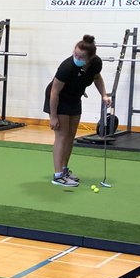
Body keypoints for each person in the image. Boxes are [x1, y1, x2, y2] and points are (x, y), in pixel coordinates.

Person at [45, 34, 110, 187]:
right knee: (61, 135)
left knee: (70, 136)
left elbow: (97, 78)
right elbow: (54, 92)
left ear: (90, 58)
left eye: (80, 56)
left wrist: (104, 94)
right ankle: (58, 175)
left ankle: (64, 169)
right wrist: (53, 117)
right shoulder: (66, 67)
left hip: (74, 99)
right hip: (58, 100)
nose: (76, 57)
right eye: (75, 54)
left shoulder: (95, 63)